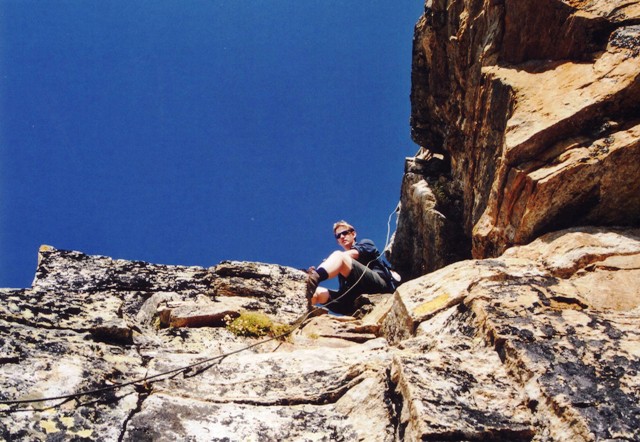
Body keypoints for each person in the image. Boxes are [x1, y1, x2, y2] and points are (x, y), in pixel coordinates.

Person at [306, 220, 394, 315]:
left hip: (377, 287)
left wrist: (327, 263)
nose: (342, 237)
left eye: (344, 233)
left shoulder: (366, 243)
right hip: (352, 301)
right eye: (338, 236)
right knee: (318, 293)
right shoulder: (341, 262)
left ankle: (313, 278)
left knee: (339, 256)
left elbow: (353, 253)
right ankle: (297, 317)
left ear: (353, 234)